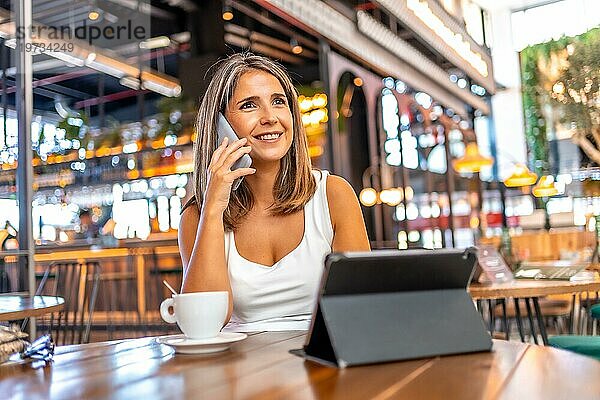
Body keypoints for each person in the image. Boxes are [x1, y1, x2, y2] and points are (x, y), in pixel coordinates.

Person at [179, 53, 370, 332]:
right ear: (220, 126)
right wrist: (213, 209)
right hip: (239, 369)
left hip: (322, 364)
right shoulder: (199, 214)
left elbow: (362, 307)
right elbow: (201, 326)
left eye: (279, 102)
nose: (270, 118)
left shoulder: (333, 195)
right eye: (249, 106)